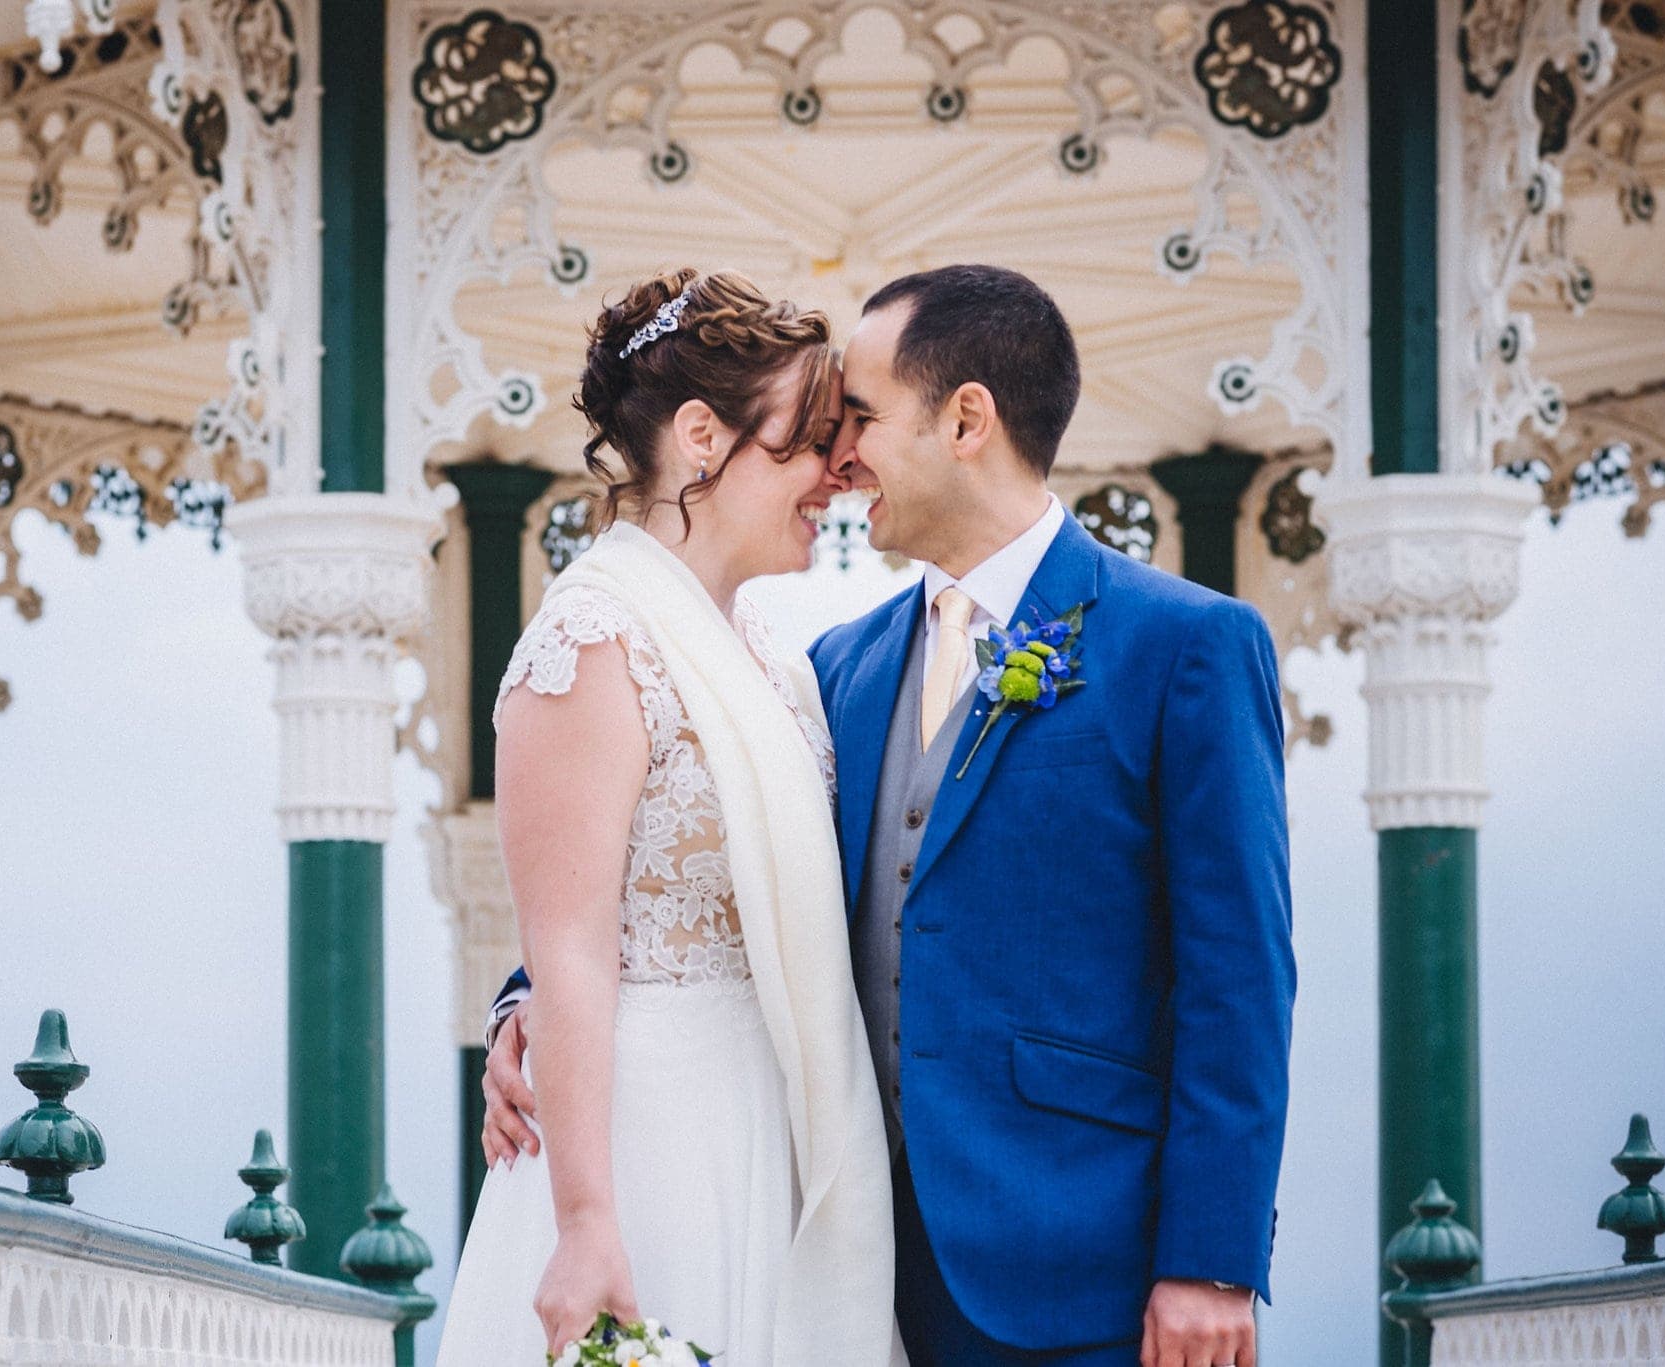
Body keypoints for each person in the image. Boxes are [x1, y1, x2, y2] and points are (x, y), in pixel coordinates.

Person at [485, 263, 1296, 1367]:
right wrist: (522, 996)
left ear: (966, 418)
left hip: (1081, 1261)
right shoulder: (834, 669)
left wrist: (1209, 1258)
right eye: (820, 430)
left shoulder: (1183, 646)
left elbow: (1238, 975)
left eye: (857, 418)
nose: (840, 459)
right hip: (843, 1245)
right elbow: (642, 868)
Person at [434, 268, 907, 1367]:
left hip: (779, 1127)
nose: (836, 476)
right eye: (805, 443)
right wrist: (588, 1221)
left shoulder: (774, 656)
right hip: (653, 1153)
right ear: (702, 436)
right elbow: (572, 952)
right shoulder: (591, 641)